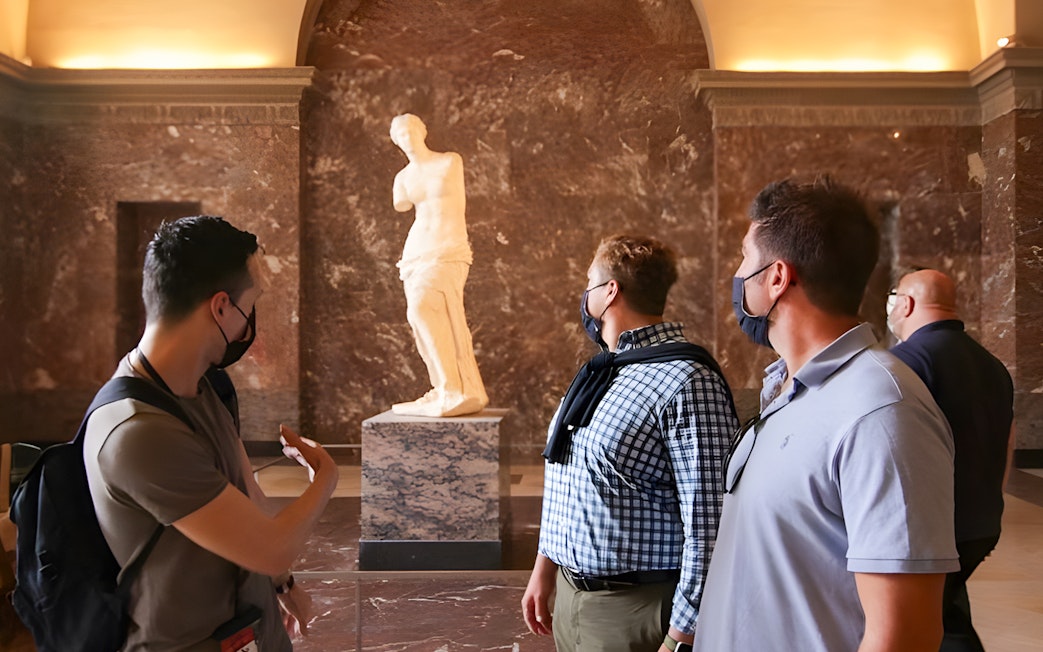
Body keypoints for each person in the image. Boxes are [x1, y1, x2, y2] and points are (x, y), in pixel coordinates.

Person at [694, 178, 959, 652]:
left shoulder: (880, 409)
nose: (736, 274)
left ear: (776, 276)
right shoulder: (787, 389)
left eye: (743, 258)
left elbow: (905, 635)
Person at [83, 216, 339, 651]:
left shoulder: (203, 387)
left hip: (252, 629)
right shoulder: (138, 431)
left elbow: (247, 500)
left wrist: (282, 587)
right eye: (251, 304)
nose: (250, 326)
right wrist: (326, 478)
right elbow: (272, 546)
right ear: (221, 307)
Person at [521, 234, 738, 652]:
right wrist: (544, 570)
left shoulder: (688, 381)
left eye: (589, 283)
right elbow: (567, 477)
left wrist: (681, 636)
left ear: (609, 292)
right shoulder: (600, 373)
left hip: (636, 609)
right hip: (571, 598)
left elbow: (710, 522)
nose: (584, 297)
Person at [888, 268, 1015, 652]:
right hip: (981, 525)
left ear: (906, 304)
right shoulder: (993, 365)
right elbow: (1007, 444)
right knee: (949, 616)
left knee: (910, 625)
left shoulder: (905, 362)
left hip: (931, 531)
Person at [388, 113, 488, 417]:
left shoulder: (449, 162)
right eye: (400, 135)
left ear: (422, 132)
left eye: (410, 131)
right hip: (418, 249)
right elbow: (401, 204)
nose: (407, 139)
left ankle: (455, 387)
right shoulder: (403, 179)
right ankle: (445, 387)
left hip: (448, 247)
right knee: (418, 316)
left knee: (427, 308)